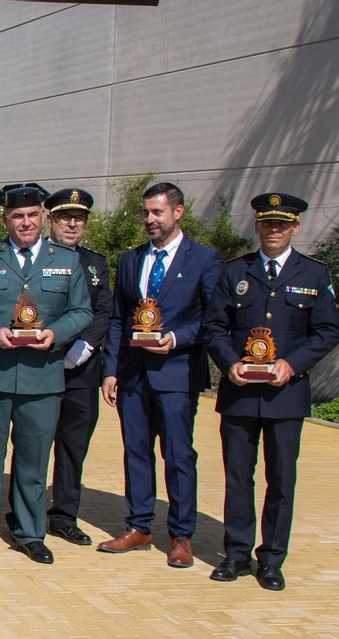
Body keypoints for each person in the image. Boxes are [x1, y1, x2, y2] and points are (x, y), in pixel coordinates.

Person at [203, 193, 339, 591]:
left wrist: (292, 364)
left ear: (295, 227)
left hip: (286, 395)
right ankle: (237, 554)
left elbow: (328, 331)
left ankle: (272, 559)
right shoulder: (235, 273)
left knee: (280, 480)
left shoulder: (313, 274)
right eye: (267, 223)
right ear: (258, 226)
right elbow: (214, 327)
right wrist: (229, 362)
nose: (274, 229)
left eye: (283, 223)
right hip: (241, 392)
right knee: (237, 478)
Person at [0, 184, 91, 564]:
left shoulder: (66, 260)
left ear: (44, 218)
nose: (26, 222)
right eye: (17, 216)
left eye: (33, 215)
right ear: (5, 220)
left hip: (43, 376)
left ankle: (29, 533)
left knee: (34, 461)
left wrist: (56, 335)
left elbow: (82, 311)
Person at [98, 182, 223, 568]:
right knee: (136, 453)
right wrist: (110, 370)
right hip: (133, 376)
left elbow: (211, 319)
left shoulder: (204, 259)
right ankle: (138, 527)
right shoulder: (132, 259)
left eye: (158, 213)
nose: (150, 220)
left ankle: (181, 536)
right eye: (146, 213)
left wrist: (176, 338)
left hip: (177, 374)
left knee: (178, 455)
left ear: (178, 212)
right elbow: (119, 317)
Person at [44, 188, 113, 546]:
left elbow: (104, 310)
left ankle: (64, 515)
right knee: (36, 443)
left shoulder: (94, 263)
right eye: (64, 217)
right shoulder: (38, 258)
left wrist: (86, 345)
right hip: (44, 363)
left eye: (79, 218)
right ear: (49, 219)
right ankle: (27, 511)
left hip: (83, 370)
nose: (72, 224)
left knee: (73, 446)